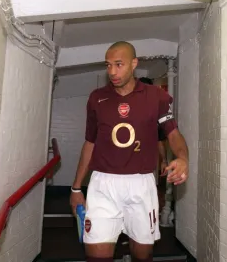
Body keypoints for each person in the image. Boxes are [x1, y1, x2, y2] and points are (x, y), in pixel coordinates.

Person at [70, 41, 189, 262]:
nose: (112, 72)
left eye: (119, 64)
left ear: (134, 63)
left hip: (141, 184)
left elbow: (173, 134)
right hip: (103, 185)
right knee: (96, 256)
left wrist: (183, 158)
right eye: (108, 65)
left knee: (142, 256)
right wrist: (76, 188)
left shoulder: (156, 97)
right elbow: (90, 143)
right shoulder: (97, 98)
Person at [138, 77, 168, 179]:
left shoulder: (156, 112)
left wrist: (164, 160)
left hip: (146, 165)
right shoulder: (126, 108)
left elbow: (159, 140)